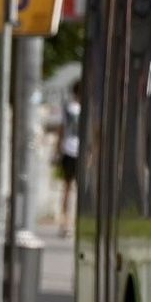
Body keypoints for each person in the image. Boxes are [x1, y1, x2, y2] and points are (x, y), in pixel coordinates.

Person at [56, 81, 82, 238]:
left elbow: (61, 129)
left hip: (68, 149)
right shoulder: (86, 109)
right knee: (74, 189)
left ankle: (66, 222)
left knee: (67, 188)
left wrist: (58, 149)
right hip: (78, 150)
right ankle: (70, 222)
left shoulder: (67, 109)